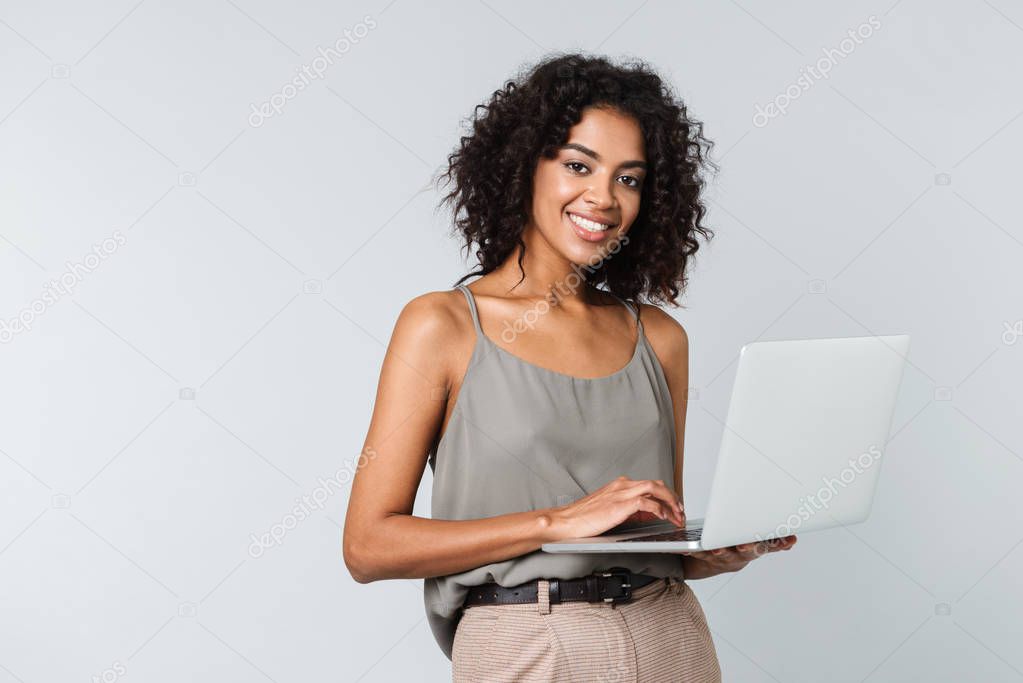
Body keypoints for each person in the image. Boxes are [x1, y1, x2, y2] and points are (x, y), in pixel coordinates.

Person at [343, 52, 797, 682]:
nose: (604, 198)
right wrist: (557, 524)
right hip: (527, 641)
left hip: (672, 636)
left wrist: (710, 553)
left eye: (630, 179)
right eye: (579, 165)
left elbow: (652, 532)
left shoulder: (659, 338)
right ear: (524, 165)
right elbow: (368, 546)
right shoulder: (442, 326)